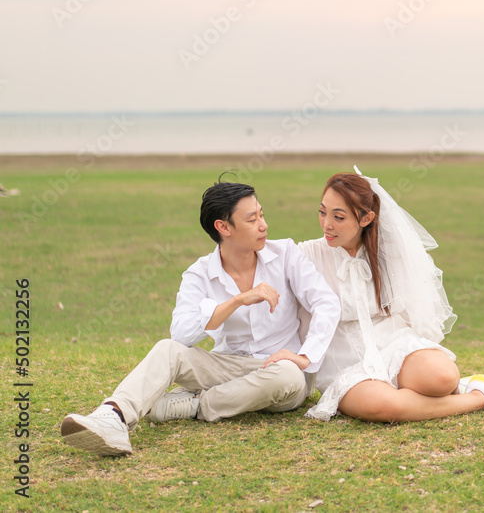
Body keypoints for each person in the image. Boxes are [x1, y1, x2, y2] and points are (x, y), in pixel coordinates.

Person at [61, 180, 341, 456]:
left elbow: (326, 302)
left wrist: (304, 357)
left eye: (262, 214)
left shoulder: (286, 254)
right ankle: (112, 417)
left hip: (279, 371)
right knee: (167, 349)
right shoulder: (199, 273)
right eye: (252, 219)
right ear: (223, 227)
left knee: (289, 376)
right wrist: (236, 301)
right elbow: (181, 335)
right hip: (226, 365)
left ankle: (194, 405)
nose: (263, 224)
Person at [297, 167, 484, 423]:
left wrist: (418, 358)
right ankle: (480, 397)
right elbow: (264, 260)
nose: (327, 224)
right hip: (342, 361)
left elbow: (412, 305)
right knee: (385, 407)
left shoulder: (387, 254)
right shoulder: (306, 255)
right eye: (322, 212)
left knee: (443, 378)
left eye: (339, 217)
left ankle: (456, 387)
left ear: (366, 218)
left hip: (391, 341)